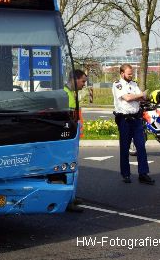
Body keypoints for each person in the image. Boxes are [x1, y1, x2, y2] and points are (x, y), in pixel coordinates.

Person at [112, 64, 155, 185]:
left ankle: (143, 174)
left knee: (141, 147)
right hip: (124, 120)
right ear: (122, 73)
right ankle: (126, 174)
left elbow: (142, 98)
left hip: (136, 119)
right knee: (125, 148)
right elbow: (127, 98)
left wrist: (138, 96)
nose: (131, 75)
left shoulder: (134, 84)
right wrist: (139, 95)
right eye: (129, 73)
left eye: (132, 73)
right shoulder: (117, 84)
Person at [64, 69, 87, 213]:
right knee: (69, 167)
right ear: (74, 79)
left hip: (73, 136)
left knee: (73, 167)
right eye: (83, 81)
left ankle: (71, 196)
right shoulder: (66, 94)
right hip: (69, 137)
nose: (84, 84)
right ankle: (68, 200)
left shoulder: (70, 93)